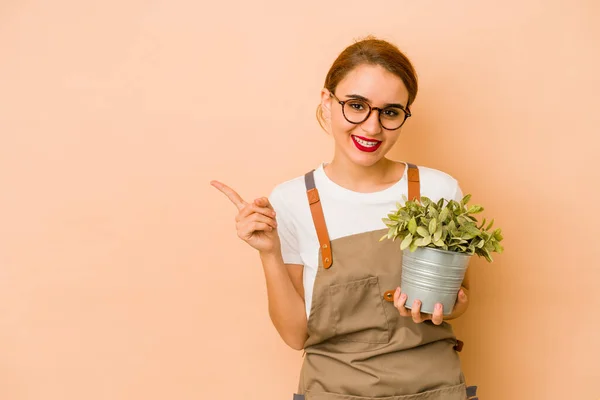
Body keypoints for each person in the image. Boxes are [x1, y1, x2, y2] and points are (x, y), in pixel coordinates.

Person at [211, 36, 478, 400]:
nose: (371, 128)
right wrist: (268, 252)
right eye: (356, 105)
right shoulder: (290, 200)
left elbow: (462, 302)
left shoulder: (439, 190)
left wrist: (450, 304)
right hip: (333, 392)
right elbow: (295, 335)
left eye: (390, 111)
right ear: (327, 102)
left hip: (434, 390)